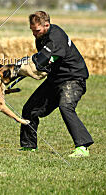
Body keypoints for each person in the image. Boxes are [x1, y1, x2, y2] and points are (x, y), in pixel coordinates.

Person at [19, 10, 93, 157]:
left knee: (66, 107)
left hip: (73, 78)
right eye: (32, 30)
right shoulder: (41, 37)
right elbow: (43, 65)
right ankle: (29, 146)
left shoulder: (56, 36)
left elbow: (42, 60)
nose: (34, 33)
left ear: (47, 25)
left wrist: (22, 66)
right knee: (29, 109)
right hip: (55, 79)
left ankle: (82, 147)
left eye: (37, 30)